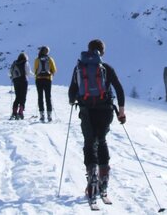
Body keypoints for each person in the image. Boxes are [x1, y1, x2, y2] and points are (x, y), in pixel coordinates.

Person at [68, 39, 126, 204]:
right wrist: (121, 112)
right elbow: (119, 89)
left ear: (88, 50)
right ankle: (103, 182)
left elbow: (72, 91)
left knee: (89, 142)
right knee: (101, 141)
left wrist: (74, 101)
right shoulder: (106, 68)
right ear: (102, 52)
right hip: (105, 110)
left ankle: (91, 180)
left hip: (87, 111)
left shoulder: (80, 67)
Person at [34, 46, 57, 122]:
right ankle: (49, 115)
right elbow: (54, 70)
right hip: (47, 79)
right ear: (47, 52)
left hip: (39, 79)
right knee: (48, 97)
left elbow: (35, 70)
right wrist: (51, 74)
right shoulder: (50, 59)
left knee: (40, 97)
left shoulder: (37, 59)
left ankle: (42, 115)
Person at [9, 52, 30, 120]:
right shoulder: (25, 62)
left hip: (15, 81)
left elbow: (10, 73)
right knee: (23, 97)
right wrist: (35, 76)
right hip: (23, 80)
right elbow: (28, 72)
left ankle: (14, 113)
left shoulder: (14, 63)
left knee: (17, 97)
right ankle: (20, 113)